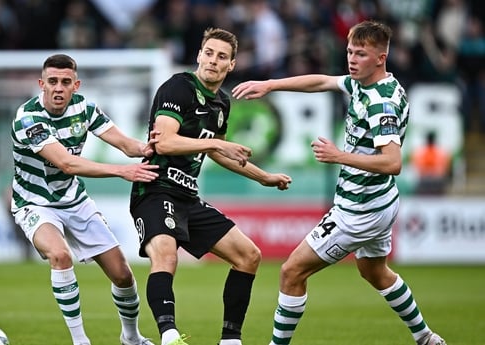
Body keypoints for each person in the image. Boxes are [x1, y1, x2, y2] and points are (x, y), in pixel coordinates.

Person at [232, 20, 446, 345]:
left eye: (361, 53)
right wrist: (272, 85)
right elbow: (322, 82)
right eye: (349, 51)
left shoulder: (381, 103)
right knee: (374, 272)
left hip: (359, 211)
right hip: (381, 201)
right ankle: (426, 337)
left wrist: (338, 156)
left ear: (381, 57)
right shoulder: (365, 82)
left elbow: (393, 162)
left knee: (291, 272)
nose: (352, 59)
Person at [129, 27, 293, 345]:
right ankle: (170, 337)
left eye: (221, 57)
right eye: (209, 53)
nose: (213, 61)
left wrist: (265, 177)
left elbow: (221, 153)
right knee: (166, 256)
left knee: (249, 255)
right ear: (198, 55)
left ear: (231, 64)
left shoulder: (221, 104)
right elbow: (163, 142)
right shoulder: (178, 87)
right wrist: (214, 147)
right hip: (155, 188)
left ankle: (230, 339)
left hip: (188, 197)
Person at [10, 53, 159, 345]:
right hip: (34, 203)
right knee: (60, 255)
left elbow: (127, 144)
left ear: (76, 85)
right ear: (41, 83)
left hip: (74, 201)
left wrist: (150, 148)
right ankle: (81, 341)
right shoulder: (28, 119)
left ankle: (131, 338)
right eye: (52, 81)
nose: (58, 88)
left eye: (65, 82)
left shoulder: (85, 109)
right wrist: (121, 172)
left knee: (123, 275)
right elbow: (68, 164)